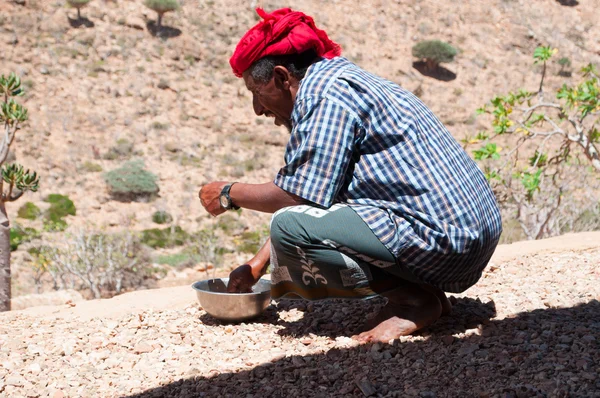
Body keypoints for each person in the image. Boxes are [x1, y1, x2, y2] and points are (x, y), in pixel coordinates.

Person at [199, 8, 502, 343]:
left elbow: (297, 199)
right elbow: (321, 199)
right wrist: (256, 266)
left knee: (286, 227)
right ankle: (420, 289)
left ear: (283, 77)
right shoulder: (341, 81)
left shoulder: (323, 98)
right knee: (296, 223)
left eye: (256, 93)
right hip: (468, 236)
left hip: (448, 242)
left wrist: (228, 192)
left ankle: (415, 300)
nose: (257, 109)